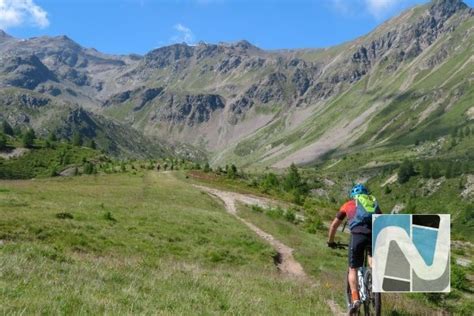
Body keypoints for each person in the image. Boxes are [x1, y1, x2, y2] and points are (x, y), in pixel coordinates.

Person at [327, 183, 382, 313]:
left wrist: (330, 241)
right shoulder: (374, 204)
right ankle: (373, 275)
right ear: (366, 195)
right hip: (374, 235)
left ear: (353, 196)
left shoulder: (348, 205)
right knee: (371, 257)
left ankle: (356, 299)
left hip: (357, 236)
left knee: (353, 268)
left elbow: (334, 225)